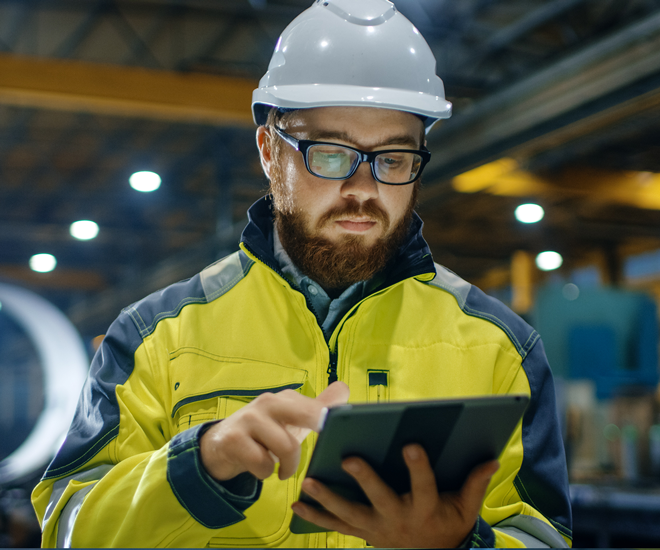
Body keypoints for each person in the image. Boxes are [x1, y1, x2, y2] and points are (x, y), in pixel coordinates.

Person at [32, 0, 572, 547]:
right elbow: (69, 527)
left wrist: (459, 545)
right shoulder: (156, 336)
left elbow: (544, 536)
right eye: (331, 154)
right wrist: (199, 466)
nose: (364, 188)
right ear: (270, 152)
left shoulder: (501, 348)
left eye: (392, 158)